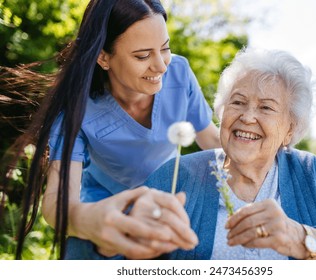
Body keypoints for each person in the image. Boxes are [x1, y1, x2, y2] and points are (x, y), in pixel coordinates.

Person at [3, 0, 220, 259]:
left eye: (165, 48)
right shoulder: (77, 107)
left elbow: (212, 141)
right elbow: (55, 203)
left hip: (168, 202)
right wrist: (92, 221)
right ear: (103, 57)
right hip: (103, 207)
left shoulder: (179, 74)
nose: (161, 66)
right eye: (142, 55)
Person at [142, 48, 316, 259]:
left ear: (290, 129)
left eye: (266, 107)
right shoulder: (176, 175)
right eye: (238, 102)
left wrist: (303, 239)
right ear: (221, 111)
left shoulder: (308, 172)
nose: (248, 117)